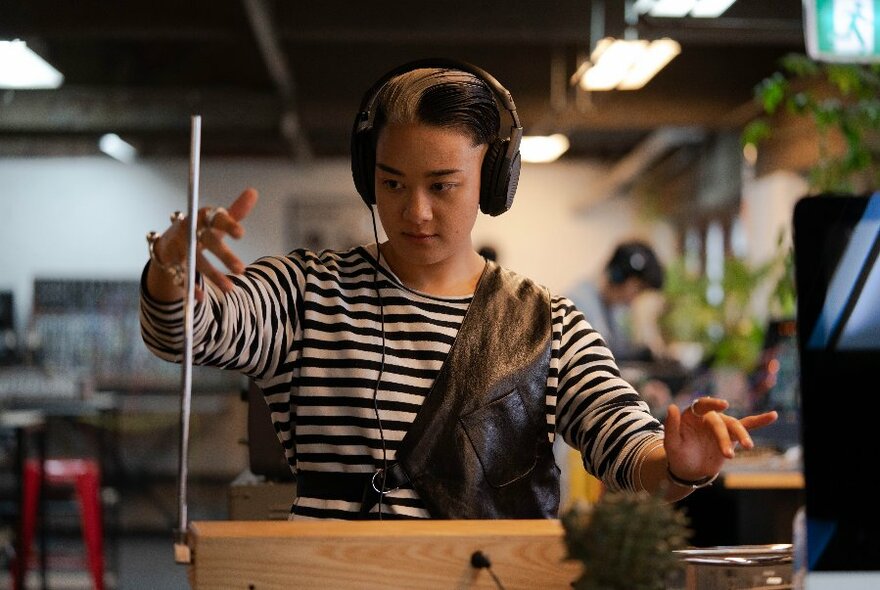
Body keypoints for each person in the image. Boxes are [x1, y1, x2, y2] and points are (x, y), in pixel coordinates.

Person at [140, 58, 777, 520]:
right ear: (370, 179)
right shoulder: (304, 293)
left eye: (442, 185)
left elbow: (622, 441)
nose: (415, 211)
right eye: (392, 184)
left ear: (491, 182)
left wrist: (679, 463)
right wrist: (170, 273)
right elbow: (187, 332)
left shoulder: (545, 320)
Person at [567, 240, 666, 364]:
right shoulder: (577, 304)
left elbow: (620, 351)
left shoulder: (616, 309)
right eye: (638, 288)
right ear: (617, 276)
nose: (636, 298)